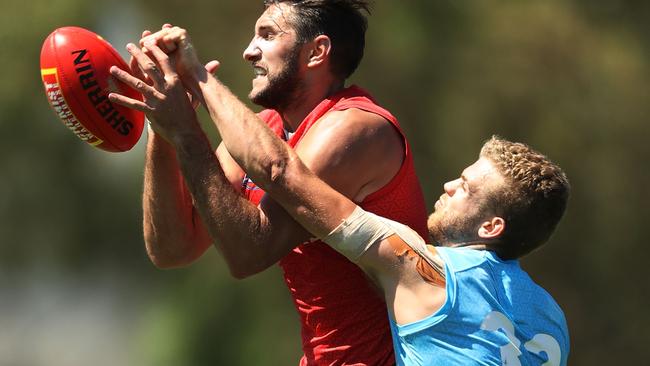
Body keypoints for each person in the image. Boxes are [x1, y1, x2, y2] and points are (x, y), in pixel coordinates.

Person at [109, 30, 571, 364]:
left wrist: (194, 80)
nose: (449, 184)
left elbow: (285, 175)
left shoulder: (423, 272)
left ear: (492, 227)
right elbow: (173, 247)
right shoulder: (552, 321)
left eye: (467, 187)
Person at [111, 1, 428, 365]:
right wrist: (163, 123)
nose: (249, 51)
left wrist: (188, 116)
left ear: (316, 52)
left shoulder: (355, 128)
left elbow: (250, 252)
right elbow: (173, 249)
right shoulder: (263, 132)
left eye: (267, 35)